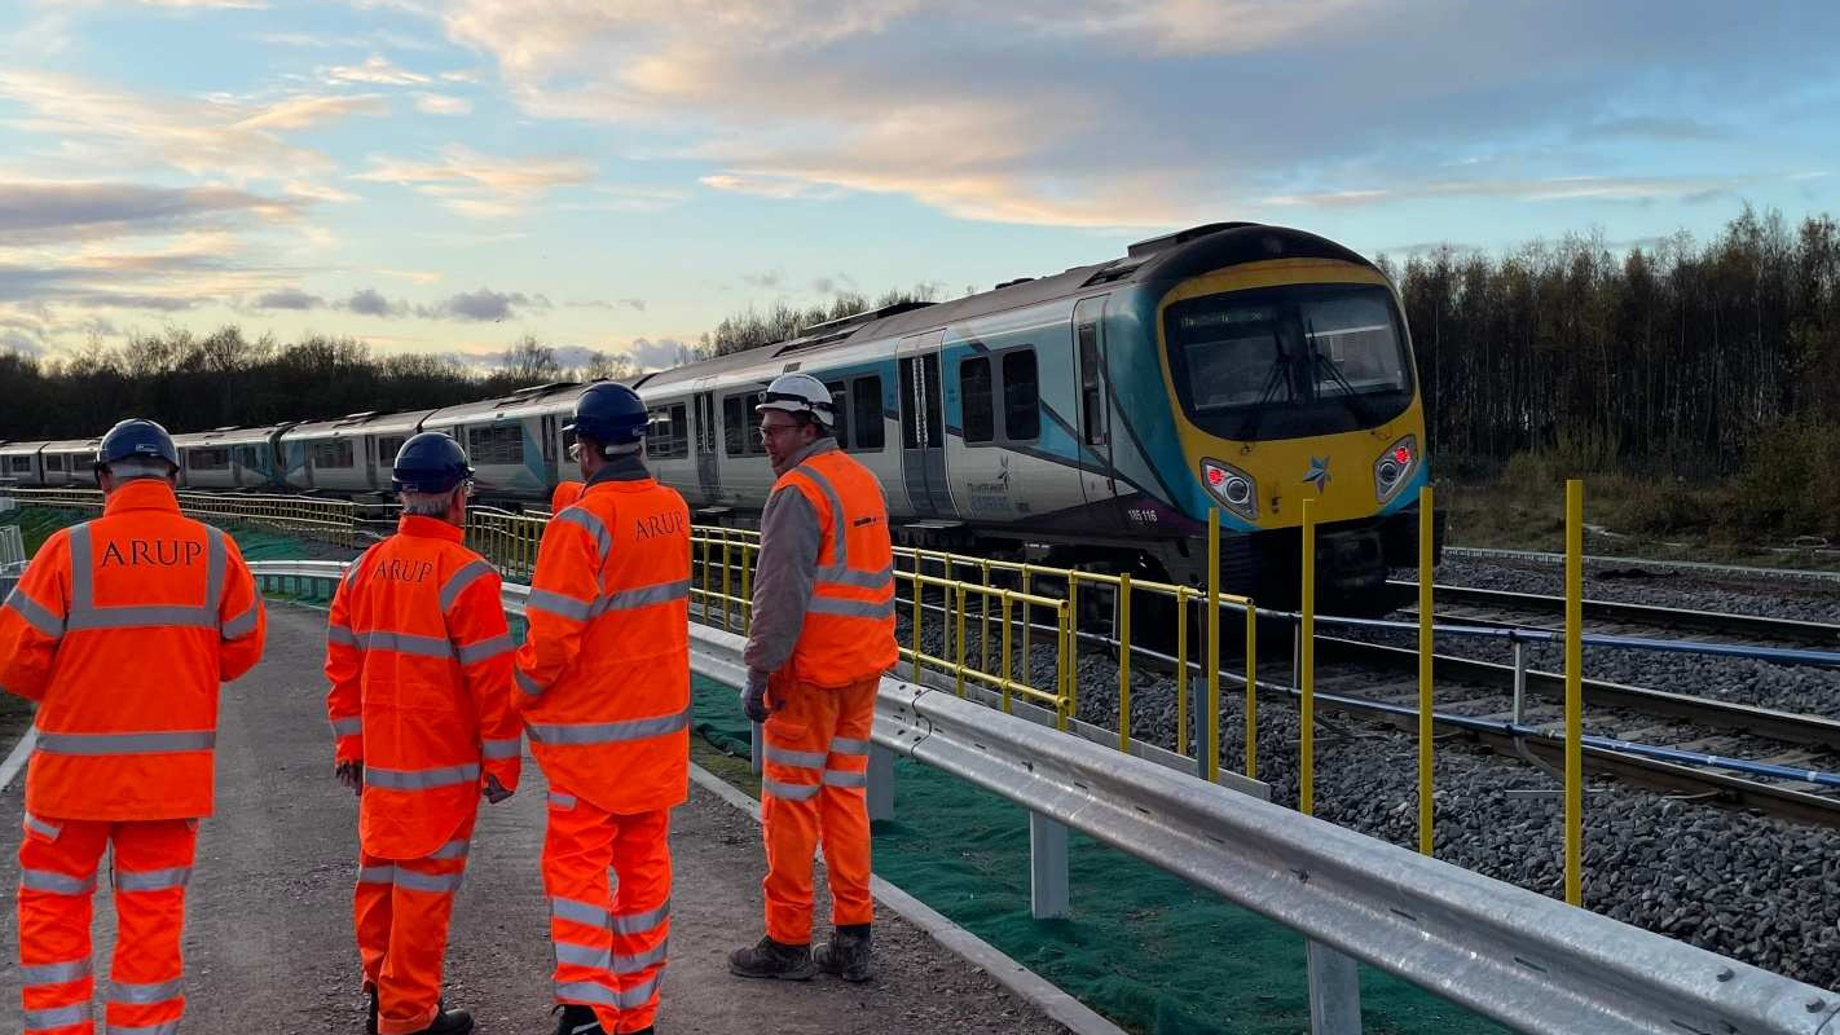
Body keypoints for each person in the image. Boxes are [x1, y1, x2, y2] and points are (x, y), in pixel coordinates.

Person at [2, 418, 267, 1035]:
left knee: (53, 914)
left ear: (104, 479)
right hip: (168, 787)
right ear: (174, 476)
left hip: (68, 785)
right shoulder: (214, 550)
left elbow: (14, 659)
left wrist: (72, 688)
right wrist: (180, 670)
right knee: (152, 922)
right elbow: (242, 649)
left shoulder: (67, 550)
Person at [325, 432, 521, 1035]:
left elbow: (341, 670)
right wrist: (503, 765)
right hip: (442, 772)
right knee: (422, 894)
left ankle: (381, 996)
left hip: (381, 769)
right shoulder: (468, 577)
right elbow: (492, 683)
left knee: (380, 882)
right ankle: (407, 1017)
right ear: (460, 497)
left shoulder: (362, 570)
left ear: (401, 497)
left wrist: (351, 747)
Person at [516, 382, 691, 1035]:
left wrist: (514, 693)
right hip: (656, 739)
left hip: (589, 745)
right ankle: (637, 1014)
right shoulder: (672, 508)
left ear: (584, 448)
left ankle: (590, 1008)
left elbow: (550, 644)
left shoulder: (580, 524)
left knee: (579, 872)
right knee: (645, 874)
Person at [728, 373, 896, 985]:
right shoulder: (861, 480)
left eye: (775, 431)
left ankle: (787, 941)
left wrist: (760, 670)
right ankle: (853, 939)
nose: (766, 442)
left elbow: (780, 595)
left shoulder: (798, 491)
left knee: (790, 807)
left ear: (809, 428)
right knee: (844, 799)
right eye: (764, 431)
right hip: (861, 670)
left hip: (810, 677)